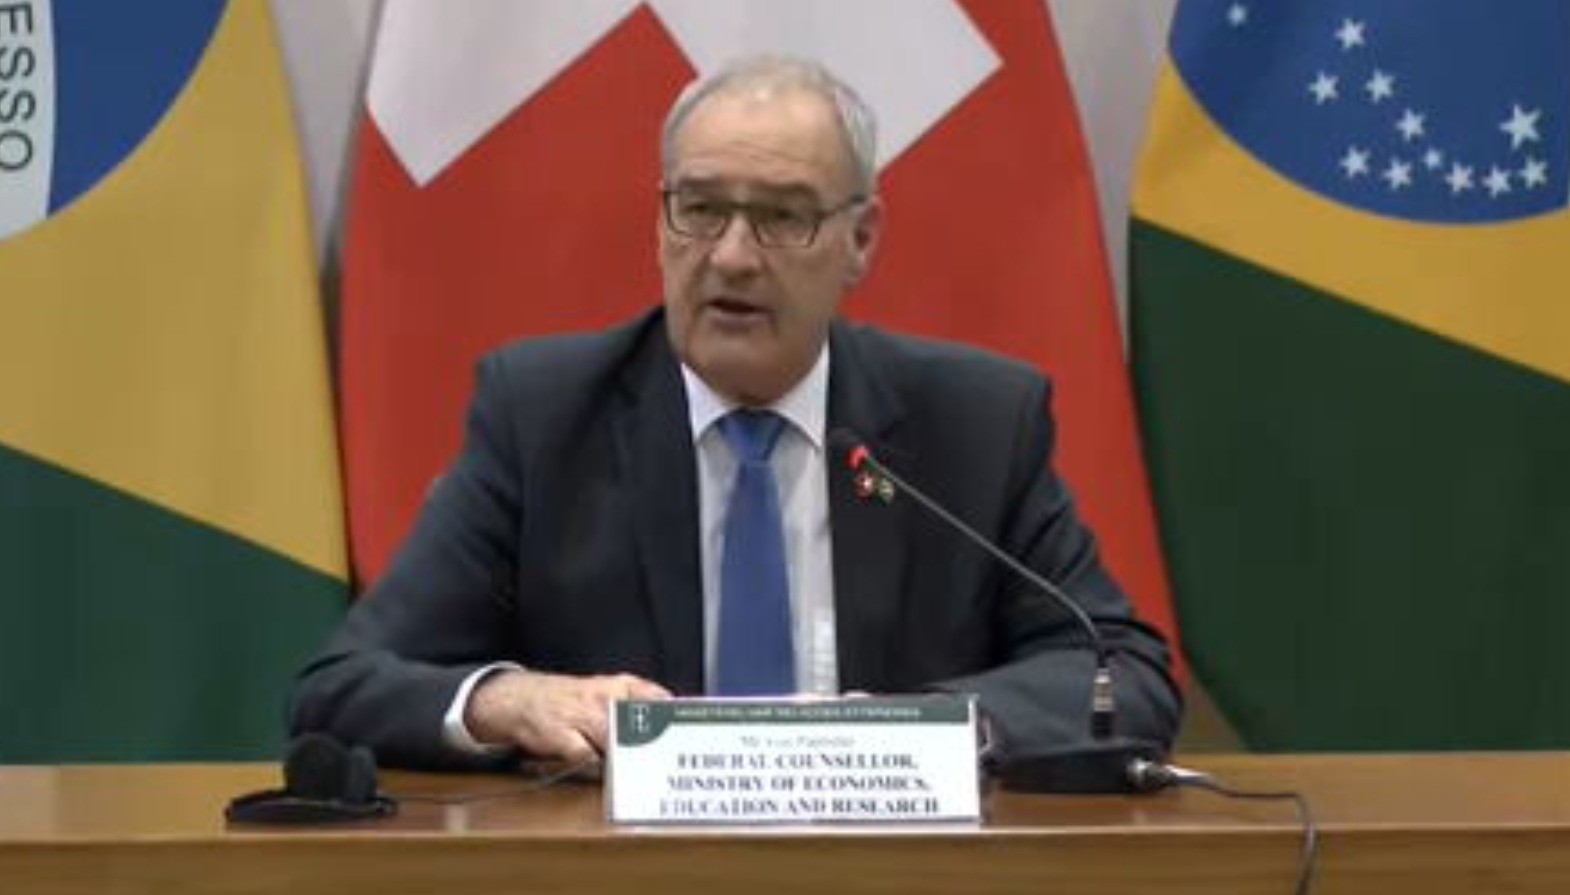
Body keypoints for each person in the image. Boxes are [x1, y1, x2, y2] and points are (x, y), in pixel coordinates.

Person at [291, 55, 1181, 770]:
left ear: (861, 240)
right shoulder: (544, 417)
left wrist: (926, 729)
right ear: (660, 222)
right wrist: (509, 700)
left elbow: (1124, 675)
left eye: (784, 218)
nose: (732, 257)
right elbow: (343, 687)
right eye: (701, 209)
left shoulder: (973, 424)